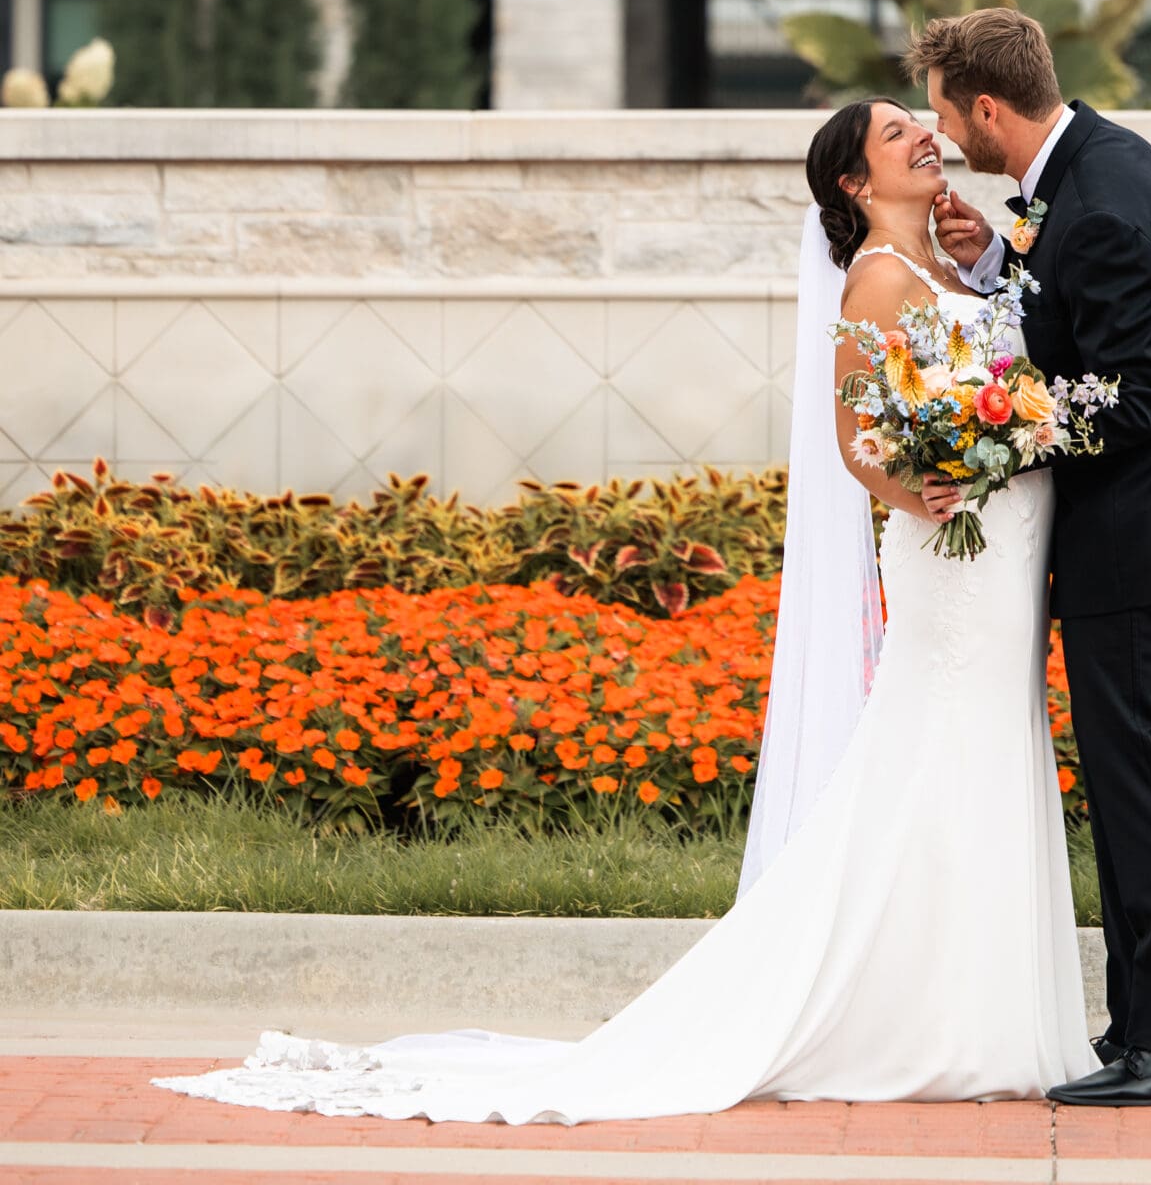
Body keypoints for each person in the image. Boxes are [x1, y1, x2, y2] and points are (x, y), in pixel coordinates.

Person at [155, 97, 1094, 1127]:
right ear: (856, 185)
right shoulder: (875, 282)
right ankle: (931, 1023)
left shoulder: (953, 268)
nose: (923, 133)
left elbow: (1001, 370)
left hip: (1000, 562)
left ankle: (973, 1009)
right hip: (950, 563)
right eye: (893, 133)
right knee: (936, 757)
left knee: (982, 756)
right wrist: (935, 490)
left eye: (921, 121)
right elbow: (857, 445)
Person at [918, 7, 1151, 1112]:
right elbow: (1070, 323)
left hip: (1145, 536)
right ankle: (1144, 1031)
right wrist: (994, 266)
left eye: (942, 112)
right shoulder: (1088, 172)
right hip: (1146, 529)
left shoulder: (1105, 196)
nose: (944, 134)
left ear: (984, 107)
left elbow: (1137, 392)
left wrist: (993, 438)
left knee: (1138, 783)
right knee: (1125, 784)